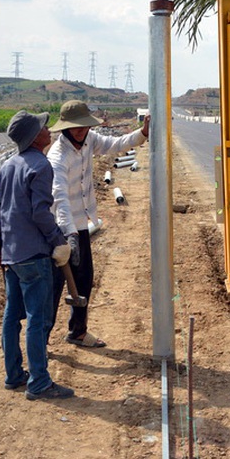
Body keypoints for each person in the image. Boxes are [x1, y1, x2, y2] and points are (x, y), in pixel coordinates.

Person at [47, 101, 150, 348]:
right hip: (59, 228)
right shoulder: (57, 157)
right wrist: (68, 234)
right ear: (65, 128)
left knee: (84, 278)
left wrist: (142, 134)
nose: (81, 130)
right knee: (52, 287)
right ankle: (41, 340)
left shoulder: (89, 140)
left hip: (80, 222)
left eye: (84, 125)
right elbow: (58, 196)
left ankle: (78, 332)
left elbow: (114, 145)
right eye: (76, 127)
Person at [0, 110, 75, 400]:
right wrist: (58, 241)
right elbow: (41, 211)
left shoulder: (7, 166)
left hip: (12, 256)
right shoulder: (40, 165)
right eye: (43, 127)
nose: (49, 129)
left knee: (11, 317)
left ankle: (14, 375)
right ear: (33, 137)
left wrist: (0, 249)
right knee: (37, 321)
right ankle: (39, 382)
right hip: (34, 255)